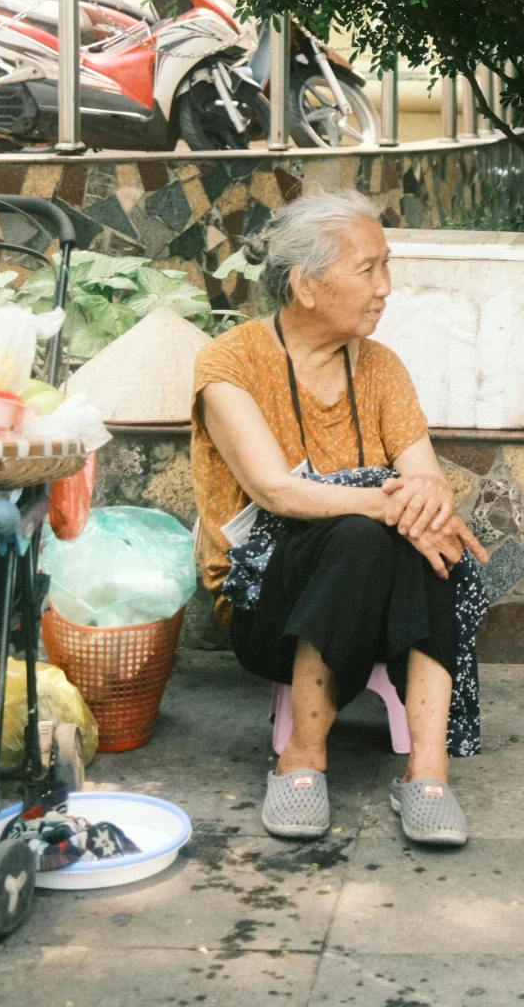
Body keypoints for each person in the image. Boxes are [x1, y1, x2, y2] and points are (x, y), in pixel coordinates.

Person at [191, 189, 491, 846]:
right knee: (373, 526)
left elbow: (427, 478)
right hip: (265, 608)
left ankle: (427, 773)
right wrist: (392, 501)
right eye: (368, 269)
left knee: (426, 530)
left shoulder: (382, 370)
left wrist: (425, 503)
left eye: (387, 266)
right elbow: (275, 491)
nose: (386, 287)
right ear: (304, 284)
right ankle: (302, 756)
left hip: (382, 604)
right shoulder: (231, 363)